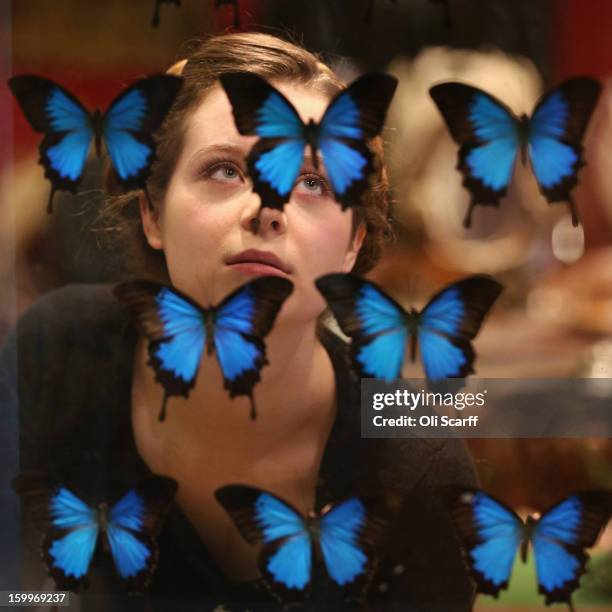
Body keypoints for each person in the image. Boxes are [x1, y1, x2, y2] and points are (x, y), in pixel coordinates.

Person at [2, 32, 477, 611]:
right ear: (153, 214)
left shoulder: (416, 462)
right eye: (225, 171)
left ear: (353, 245)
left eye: (312, 183)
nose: (266, 211)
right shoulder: (57, 353)